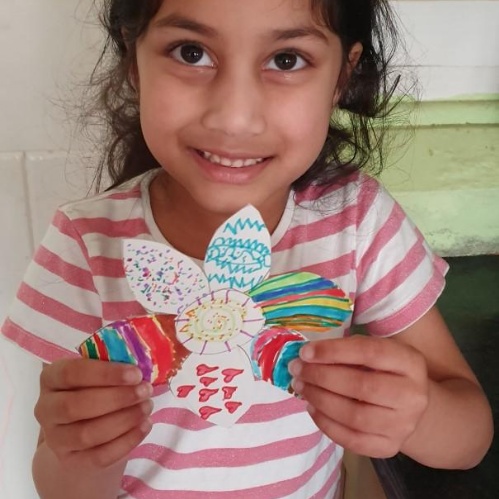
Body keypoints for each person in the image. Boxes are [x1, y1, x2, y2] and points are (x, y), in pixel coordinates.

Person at [1, 0, 493, 498]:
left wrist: (417, 417)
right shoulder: (86, 243)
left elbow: (470, 439)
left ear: (341, 78)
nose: (234, 118)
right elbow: (63, 488)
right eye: (191, 52)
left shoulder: (358, 222)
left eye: (286, 60)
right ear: (134, 60)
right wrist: (85, 451)